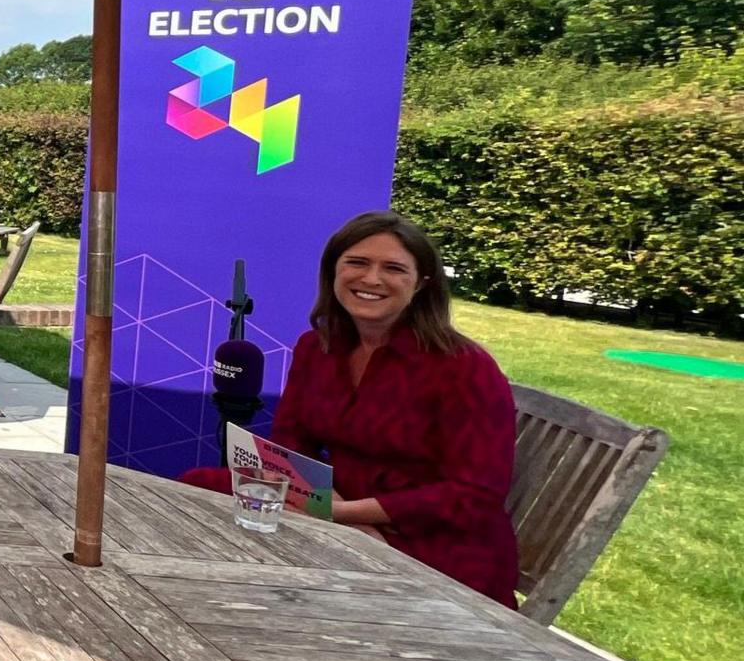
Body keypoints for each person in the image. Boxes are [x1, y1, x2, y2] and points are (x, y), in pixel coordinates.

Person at [182, 210, 520, 605]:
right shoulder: (317, 346)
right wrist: (323, 503)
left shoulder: (464, 367)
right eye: (357, 263)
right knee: (198, 485)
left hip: (433, 540)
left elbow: (474, 495)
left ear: (422, 284)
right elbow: (293, 440)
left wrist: (347, 517)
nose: (372, 279)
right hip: (336, 506)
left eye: (393, 268)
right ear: (334, 272)